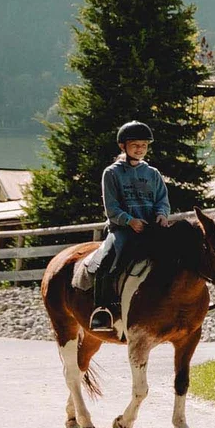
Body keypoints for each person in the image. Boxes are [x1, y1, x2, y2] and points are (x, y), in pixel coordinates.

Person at [84, 120, 172, 333]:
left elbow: (162, 199)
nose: (140, 149)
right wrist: (129, 221)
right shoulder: (112, 173)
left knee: (178, 255)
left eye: (143, 145)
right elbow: (111, 207)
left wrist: (162, 214)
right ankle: (103, 310)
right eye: (135, 145)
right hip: (123, 230)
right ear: (123, 146)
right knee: (108, 263)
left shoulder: (152, 173)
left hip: (151, 228)